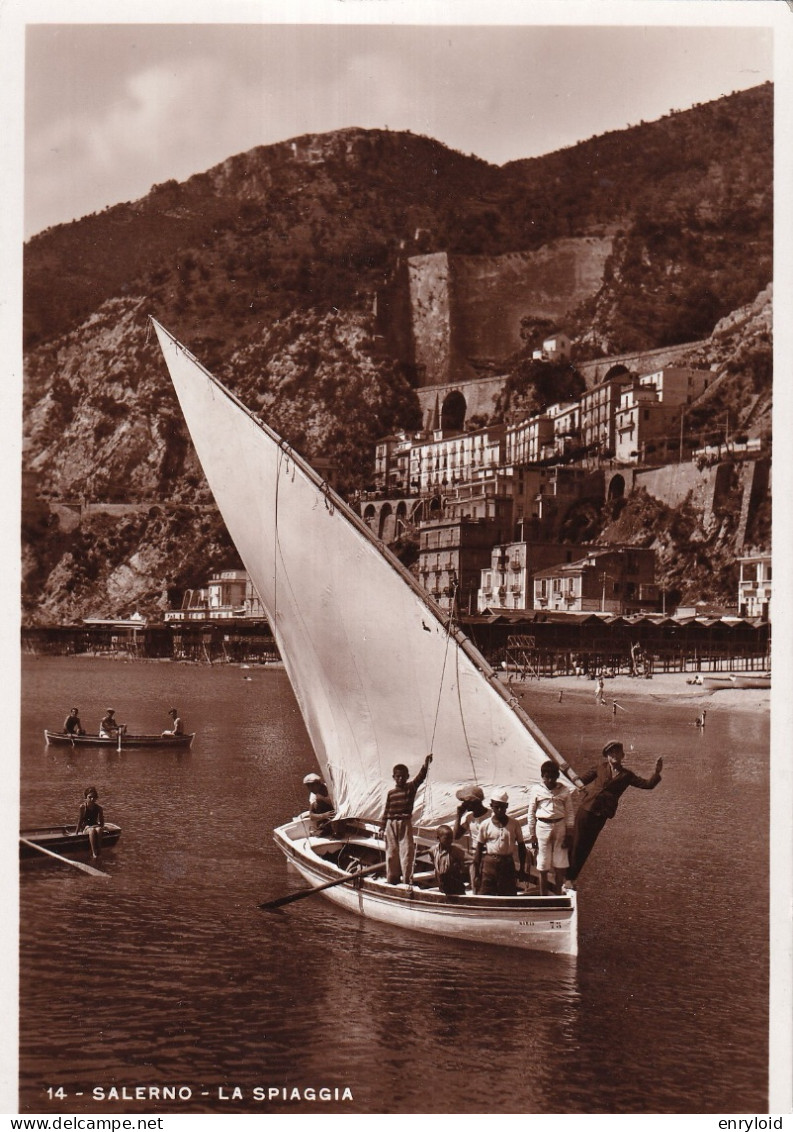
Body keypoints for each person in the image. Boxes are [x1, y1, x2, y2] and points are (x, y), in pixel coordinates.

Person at [566, 740, 663, 886]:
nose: (615, 755)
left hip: (601, 815)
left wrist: (656, 773)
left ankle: (572, 878)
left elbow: (648, 785)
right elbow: (581, 780)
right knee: (577, 842)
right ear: (607, 756)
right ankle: (566, 875)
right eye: (611, 753)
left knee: (587, 846)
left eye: (617, 752)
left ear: (623, 755)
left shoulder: (627, 775)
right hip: (586, 809)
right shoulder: (600, 768)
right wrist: (564, 771)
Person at [380, 753, 433, 885]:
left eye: (403, 776)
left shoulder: (410, 788)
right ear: (393, 777)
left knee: (406, 852)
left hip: (404, 823)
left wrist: (425, 765)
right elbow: (386, 811)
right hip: (391, 824)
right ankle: (392, 879)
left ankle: (407, 880)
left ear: (407, 777)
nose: (400, 779)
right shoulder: (391, 793)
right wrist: (382, 826)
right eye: (397, 776)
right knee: (392, 853)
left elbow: (420, 778)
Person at [527, 761, 574, 895]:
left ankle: (558, 893)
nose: (550, 780)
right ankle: (543, 895)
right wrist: (532, 835)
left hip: (560, 826)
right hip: (542, 826)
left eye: (553, 777)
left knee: (560, 862)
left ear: (557, 776)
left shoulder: (564, 790)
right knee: (543, 863)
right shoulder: (536, 790)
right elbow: (531, 813)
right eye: (547, 777)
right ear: (542, 776)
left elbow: (570, 813)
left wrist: (569, 833)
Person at [473, 790, 527, 896]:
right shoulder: (485, 824)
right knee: (486, 894)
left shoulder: (514, 824)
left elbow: (521, 847)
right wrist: (477, 873)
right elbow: (478, 849)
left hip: (507, 865)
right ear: (491, 806)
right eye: (496, 807)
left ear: (506, 806)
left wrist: (522, 869)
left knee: (508, 895)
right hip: (489, 865)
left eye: (502, 807)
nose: (500, 810)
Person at [452, 785, 490, 893]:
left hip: (488, 855)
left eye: (466, 802)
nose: (463, 805)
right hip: (474, 855)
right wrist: (458, 816)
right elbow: (456, 835)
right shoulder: (470, 818)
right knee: (475, 883)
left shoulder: (490, 816)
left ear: (474, 802)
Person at [431, 824, 468, 896]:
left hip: (456, 886)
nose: (450, 841)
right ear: (438, 838)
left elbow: (470, 859)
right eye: (446, 838)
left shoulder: (455, 851)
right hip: (442, 885)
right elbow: (433, 859)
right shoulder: (433, 850)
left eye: (451, 838)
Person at [75, 785, 105, 859]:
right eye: (90, 797)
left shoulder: (99, 808)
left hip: (95, 826)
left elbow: (101, 823)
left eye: (94, 797)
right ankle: (94, 853)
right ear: (86, 798)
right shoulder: (82, 807)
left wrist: (101, 827)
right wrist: (76, 833)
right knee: (91, 830)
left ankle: (100, 852)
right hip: (86, 827)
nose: (92, 799)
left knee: (99, 829)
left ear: (96, 798)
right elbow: (80, 820)